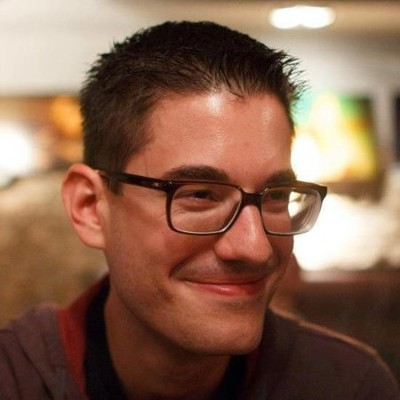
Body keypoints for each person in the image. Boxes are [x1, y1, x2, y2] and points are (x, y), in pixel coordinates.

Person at [0, 21, 399, 400]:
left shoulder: (347, 385)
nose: (255, 248)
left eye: (276, 195)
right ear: (90, 207)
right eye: (201, 195)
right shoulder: (16, 380)